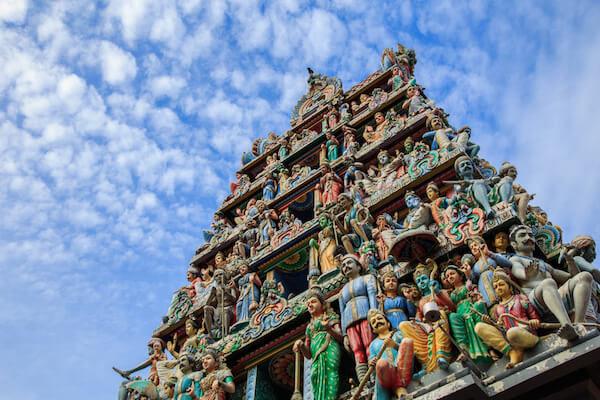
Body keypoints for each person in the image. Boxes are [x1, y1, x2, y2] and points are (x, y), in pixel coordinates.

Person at [509, 225, 593, 341]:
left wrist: (569, 259)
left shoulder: (544, 264)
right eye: (522, 235)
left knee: (584, 276)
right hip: (534, 302)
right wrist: (526, 275)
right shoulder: (515, 260)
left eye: (531, 235)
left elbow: (571, 277)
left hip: (554, 297)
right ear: (514, 244)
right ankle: (566, 325)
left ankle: (579, 324)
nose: (529, 238)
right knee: (548, 282)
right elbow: (518, 271)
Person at [475, 270, 541, 369]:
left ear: (510, 287)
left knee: (512, 333)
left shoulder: (520, 298)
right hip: (510, 341)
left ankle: (517, 351)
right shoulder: (497, 309)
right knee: (479, 327)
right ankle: (512, 352)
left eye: (501, 284)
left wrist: (534, 322)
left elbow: (535, 317)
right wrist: (490, 323)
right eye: (496, 287)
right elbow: (501, 329)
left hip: (525, 334)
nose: (499, 288)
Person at [293, 287, 343, 400]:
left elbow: (340, 337)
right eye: (308, 303)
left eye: (313, 302)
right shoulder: (309, 328)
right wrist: (301, 345)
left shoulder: (330, 317)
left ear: (322, 304)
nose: (310, 305)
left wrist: (328, 328)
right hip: (316, 356)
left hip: (329, 347)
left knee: (330, 371)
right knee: (314, 375)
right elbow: (308, 355)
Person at [338, 254, 378, 381]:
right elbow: (342, 313)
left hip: (366, 316)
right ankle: (363, 379)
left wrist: (374, 314)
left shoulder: (368, 279)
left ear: (359, 267)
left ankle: (375, 375)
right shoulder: (342, 292)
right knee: (356, 349)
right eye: (343, 265)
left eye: (349, 263)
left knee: (369, 344)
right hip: (350, 323)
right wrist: (344, 335)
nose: (346, 267)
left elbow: (372, 296)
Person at [445, 265, 491, 363]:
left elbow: (477, 295)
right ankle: (464, 349)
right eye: (448, 276)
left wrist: (476, 297)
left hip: (471, 309)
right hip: (460, 313)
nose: (450, 277)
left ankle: (489, 348)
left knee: (477, 309)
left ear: (461, 276)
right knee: (453, 317)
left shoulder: (468, 286)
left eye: (452, 273)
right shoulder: (450, 293)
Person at [368, 309, 414, 400]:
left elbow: (411, 351)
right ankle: (399, 389)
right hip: (387, 375)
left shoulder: (398, 335)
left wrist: (395, 345)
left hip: (403, 370)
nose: (377, 322)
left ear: (388, 323)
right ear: (373, 330)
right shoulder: (373, 344)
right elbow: (372, 368)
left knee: (407, 342)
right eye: (374, 322)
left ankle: (399, 387)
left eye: (380, 318)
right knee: (381, 363)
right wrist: (373, 364)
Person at [467, 236, 513, 306]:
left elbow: (508, 264)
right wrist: (468, 273)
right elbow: (473, 281)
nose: (473, 248)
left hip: (497, 284)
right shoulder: (475, 266)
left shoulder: (492, 256)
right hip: (485, 294)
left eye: (475, 245)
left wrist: (488, 253)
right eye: (471, 247)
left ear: (483, 245)